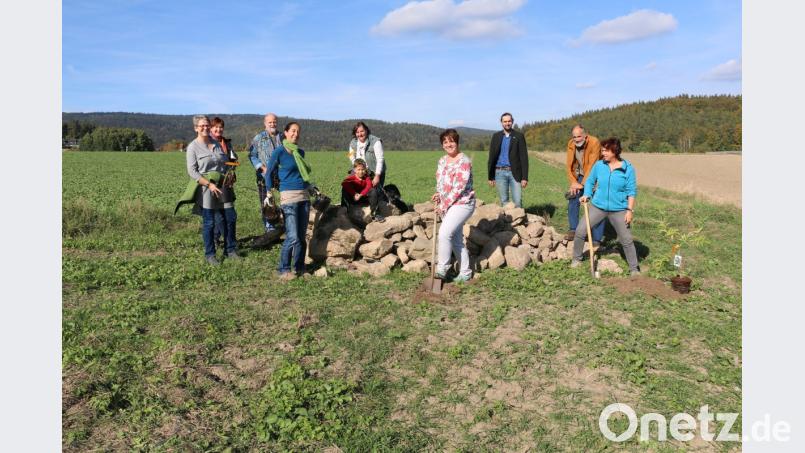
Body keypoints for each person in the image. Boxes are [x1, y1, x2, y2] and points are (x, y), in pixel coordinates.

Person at [571, 137, 640, 275]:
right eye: (602, 150)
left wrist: (629, 210)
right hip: (598, 206)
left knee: (626, 239)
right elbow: (590, 181)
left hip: (619, 209)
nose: (603, 153)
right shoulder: (599, 165)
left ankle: (634, 269)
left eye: (606, 151)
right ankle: (576, 259)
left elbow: (631, 192)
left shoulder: (627, 169)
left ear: (615, 151)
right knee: (580, 230)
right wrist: (587, 194)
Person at [185, 115, 239, 265]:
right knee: (209, 223)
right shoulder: (193, 147)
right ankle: (210, 255)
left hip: (223, 187)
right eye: (201, 126)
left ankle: (231, 250)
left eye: (207, 125)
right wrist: (209, 184)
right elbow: (193, 172)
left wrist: (230, 174)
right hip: (206, 189)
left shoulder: (216, 144)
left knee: (230, 218)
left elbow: (225, 163)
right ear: (196, 128)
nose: (205, 128)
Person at [266, 122, 311, 280]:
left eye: (298, 131)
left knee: (301, 236)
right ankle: (283, 269)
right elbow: (269, 172)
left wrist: (312, 188)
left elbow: (303, 175)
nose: (295, 134)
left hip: (304, 197)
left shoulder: (301, 152)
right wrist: (269, 192)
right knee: (292, 237)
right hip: (289, 198)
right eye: (292, 131)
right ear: (285, 133)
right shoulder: (279, 151)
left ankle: (299, 267)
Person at [431, 129, 476, 283]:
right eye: (445, 142)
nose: (449, 144)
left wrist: (443, 205)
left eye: (451, 141)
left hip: (463, 203)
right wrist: (438, 194)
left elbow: (459, 187)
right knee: (456, 240)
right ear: (442, 145)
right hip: (448, 204)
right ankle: (465, 272)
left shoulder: (464, 161)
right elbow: (441, 181)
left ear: (457, 142)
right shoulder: (442, 160)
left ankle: (442, 267)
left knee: (444, 233)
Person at [564, 125, 605, 244]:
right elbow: (569, 166)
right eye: (574, 137)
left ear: (585, 136)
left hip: (597, 176)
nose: (576, 139)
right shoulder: (571, 144)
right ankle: (574, 230)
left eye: (579, 136)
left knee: (597, 204)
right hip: (581, 175)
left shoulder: (594, 142)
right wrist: (573, 182)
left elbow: (592, 166)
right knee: (573, 197)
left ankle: (596, 239)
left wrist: (581, 185)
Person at [249, 113, 284, 246]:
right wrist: (261, 167)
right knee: (267, 204)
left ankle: (283, 226)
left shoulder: (282, 137)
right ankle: (270, 233)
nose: (272, 124)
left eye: (274, 122)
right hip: (264, 177)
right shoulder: (259, 138)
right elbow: (252, 155)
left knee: (285, 200)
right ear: (265, 123)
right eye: (269, 122)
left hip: (281, 175)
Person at [487, 112, 529, 208]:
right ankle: (508, 222)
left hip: (515, 173)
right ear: (501, 123)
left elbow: (524, 158)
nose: (507, 123)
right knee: (504, 201)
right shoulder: (496, 136)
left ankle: (519, 221)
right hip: (499, 172)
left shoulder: (519, 136)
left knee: (517, 201)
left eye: (509, 121)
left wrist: (525, 177)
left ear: (512, 121)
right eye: (505, 121)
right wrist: (491, 176)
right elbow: (492, 157)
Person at [209, 116, 238, 246]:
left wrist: (233, 167)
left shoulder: (227, 143)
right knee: (218, 215)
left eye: (221, 127)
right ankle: (225, 241)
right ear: (211, 128)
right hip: (212, 183)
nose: (218, 129)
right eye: (216, 127)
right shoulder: (206, 142)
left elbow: (233, 159)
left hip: (226, 183)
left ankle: (223, 240)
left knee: (229, 213)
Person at [348, 121, 386, 195]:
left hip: (374, 171)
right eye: (357, 132)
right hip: (361, 170)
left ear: (366, 130)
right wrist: (355, 165)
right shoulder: (353, 142)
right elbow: (350, 154)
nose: (360, 134)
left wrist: (377, 175)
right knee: (348, 184)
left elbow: (380, 159)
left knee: (375, 193)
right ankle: (347, 205)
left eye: (362, 131)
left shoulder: (375, 142)